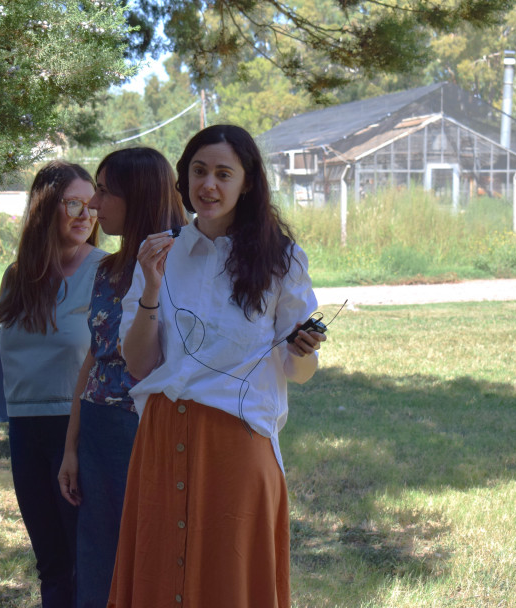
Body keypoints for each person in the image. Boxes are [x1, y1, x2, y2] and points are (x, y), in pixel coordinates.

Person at [108, 125, 328, 608]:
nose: (209, 185)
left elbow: (299, 372)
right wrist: (148, 287)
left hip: (239, 440)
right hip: (162, 438)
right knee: (159, 577)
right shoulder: (161, 254)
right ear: (183, 180)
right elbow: (140, 364)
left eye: (223, 174)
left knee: (231, 580)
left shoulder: (281, 261)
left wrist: (303, 352)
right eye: (199, 171)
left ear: (246, 183)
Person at [57, 147, 187, 608]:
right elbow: (92, 360)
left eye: (105, 191)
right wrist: (71, 447)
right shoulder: (108, 269)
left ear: (140, 195)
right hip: (97, 430)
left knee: (152, 558)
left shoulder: (184, 264)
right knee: (99, 561)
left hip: (150, 427)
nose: (93, 205)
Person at [0, 160, 105, 608]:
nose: (85, 215)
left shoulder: (107, 271)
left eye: (91, 205)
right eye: (72, 204)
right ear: (45, 209)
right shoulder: (17, 276)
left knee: (84, 561)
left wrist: (75, 446)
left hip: (76, 429)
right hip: (24, 428)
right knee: (51, 563)